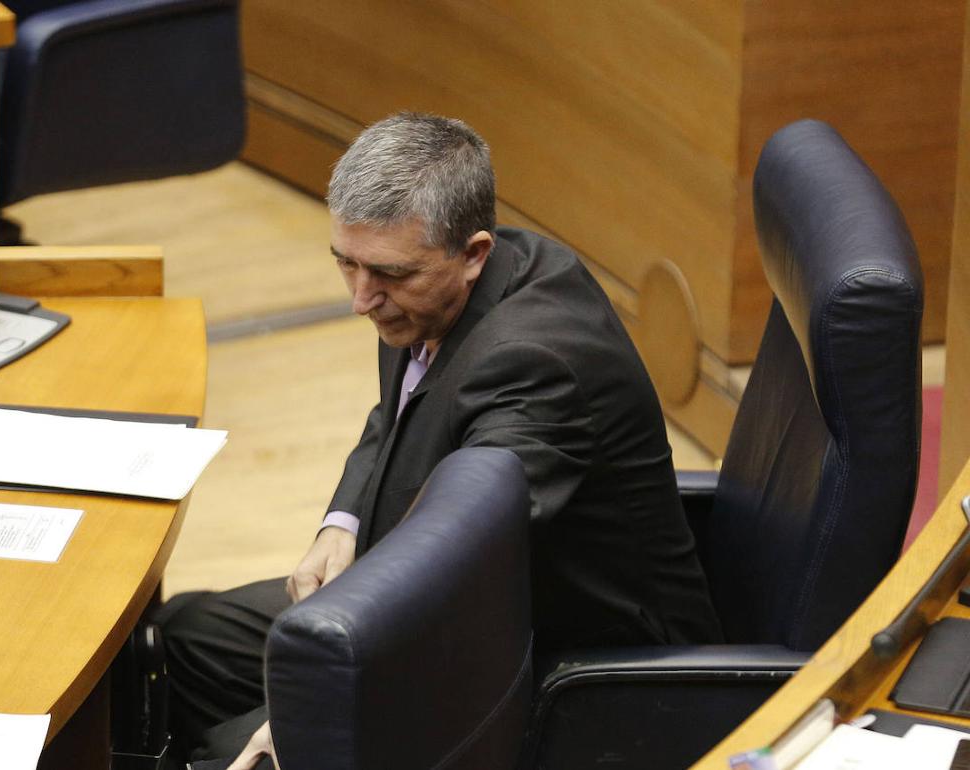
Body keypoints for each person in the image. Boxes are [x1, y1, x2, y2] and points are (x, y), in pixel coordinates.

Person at [156, 112, 722, 769]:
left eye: (388, 275)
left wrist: (305, 717)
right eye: (347, 264)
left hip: (557, 657)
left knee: (231, 755)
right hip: (457, 591)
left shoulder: (536, 366)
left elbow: (460, 561)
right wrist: (342, 522)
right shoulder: (439, 281)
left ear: (474, 252)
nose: (361, 300)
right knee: (180, 639)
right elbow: (394, 415)